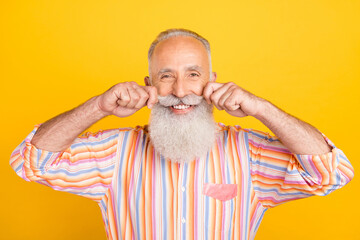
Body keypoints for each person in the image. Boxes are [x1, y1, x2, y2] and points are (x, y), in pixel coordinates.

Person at [10, 28, 354, 240]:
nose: (179, 89)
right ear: (149, 85)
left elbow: (331, 173)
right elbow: (31, 162)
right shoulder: (117, 152)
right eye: (166, 76)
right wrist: (99, 106)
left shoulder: (248, 153)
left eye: (192, 74)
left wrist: (262, 108)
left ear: (212, 80)